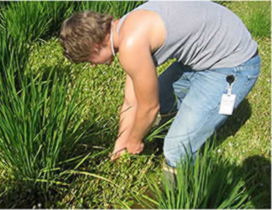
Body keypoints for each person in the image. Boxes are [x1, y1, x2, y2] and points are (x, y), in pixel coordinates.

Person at [59, 1, 260, 178]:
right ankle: (182, 129)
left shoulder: (131, 44)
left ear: (95, 46)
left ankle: (177, 193)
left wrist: (135, 141)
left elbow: (149, 108)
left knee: (176, 151)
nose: (93, 66)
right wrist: (121, 141)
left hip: (235, 66)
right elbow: (131, 101)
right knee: (164, 101)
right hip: (204, 56)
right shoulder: (126, 25)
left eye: (88, 60)